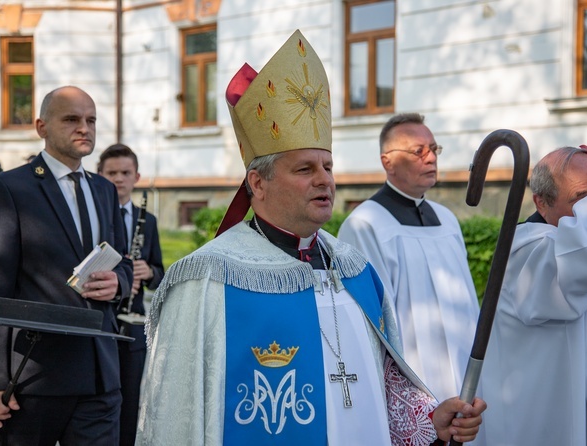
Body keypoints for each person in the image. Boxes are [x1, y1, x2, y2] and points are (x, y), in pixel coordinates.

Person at [136, 30, 485, 445]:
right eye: (305, 170)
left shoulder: (355, 271)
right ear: (258, 182)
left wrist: (429, 420)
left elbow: (383, 385)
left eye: (328, 167)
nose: (325, 181)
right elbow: (176, 415)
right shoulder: (207, 280)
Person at [0, 86, 133, 444]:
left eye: (91, 120)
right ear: (41, 126)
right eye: (72, 119)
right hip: (34, 377)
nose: (84, 128)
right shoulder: (9, 188)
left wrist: (118, 283)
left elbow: (123, 260)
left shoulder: (105, 190)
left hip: (100, 374)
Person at [475, 146, 587, 445]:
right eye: (583, 200)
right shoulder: (527, 253)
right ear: (541, 203)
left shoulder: (583, 247)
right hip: (547, 423)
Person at [337, 113, 480, 402]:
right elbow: (372, 321)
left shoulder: (447, 220)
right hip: (414, 382)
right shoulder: (365, 224)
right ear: (387, 161)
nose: (431, 158)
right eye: (418, 151)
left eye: (434, 149)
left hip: (465, 371)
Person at [98, 143, 164, 446]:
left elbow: (160, 273)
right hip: (101, 320)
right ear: (99, 175)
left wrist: (147, 272)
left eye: (125, 173)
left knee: (131, 396)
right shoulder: (94, 216)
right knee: (99, 398)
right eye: (111, 173)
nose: (118, 179)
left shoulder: (146, 221)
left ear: (136, 176)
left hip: (135, 321)